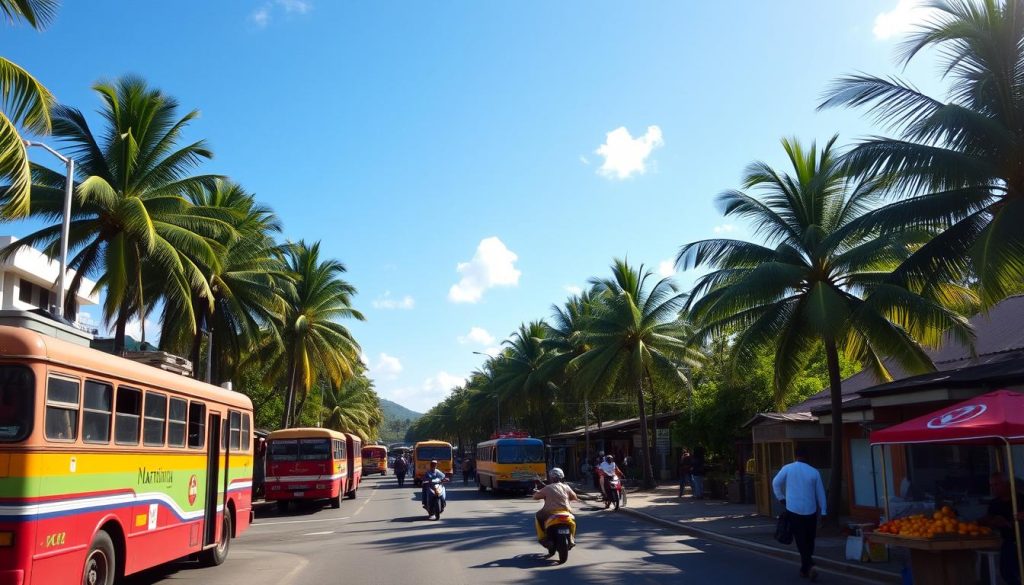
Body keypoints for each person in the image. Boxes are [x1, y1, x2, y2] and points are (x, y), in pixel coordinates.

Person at [772, 447, 826, 582]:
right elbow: (821, 494)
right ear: (808, 458)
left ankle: (808, 566)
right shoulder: (814, 472)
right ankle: (806, 567)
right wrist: (824, 511)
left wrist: (781, 498)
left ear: (796, 456)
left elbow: (775, 483)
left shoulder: (788, 468)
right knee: (810, 539)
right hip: (811, 511)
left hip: (793, 510)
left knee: (800, 539)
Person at [981, 472, 1024, 585]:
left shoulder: (1021, 499)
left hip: (1021, 538)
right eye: (992, 485)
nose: (993, 488)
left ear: (1007, 484)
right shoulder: (995, 503)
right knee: (1006, 572)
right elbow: (988, 520)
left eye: (996, 485)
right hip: (1008, 540)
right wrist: (992, 522)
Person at [532, 467, 578, 544]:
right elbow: (574, 497)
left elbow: (535, 497)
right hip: (566, 511)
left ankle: (542, 537)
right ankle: (571, 538)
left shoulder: (547, 487)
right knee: (573, 521)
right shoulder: (567, 487)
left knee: (537, 516)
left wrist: (538, 493)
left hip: (550, 512)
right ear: (562, 477)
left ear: (551, 478)